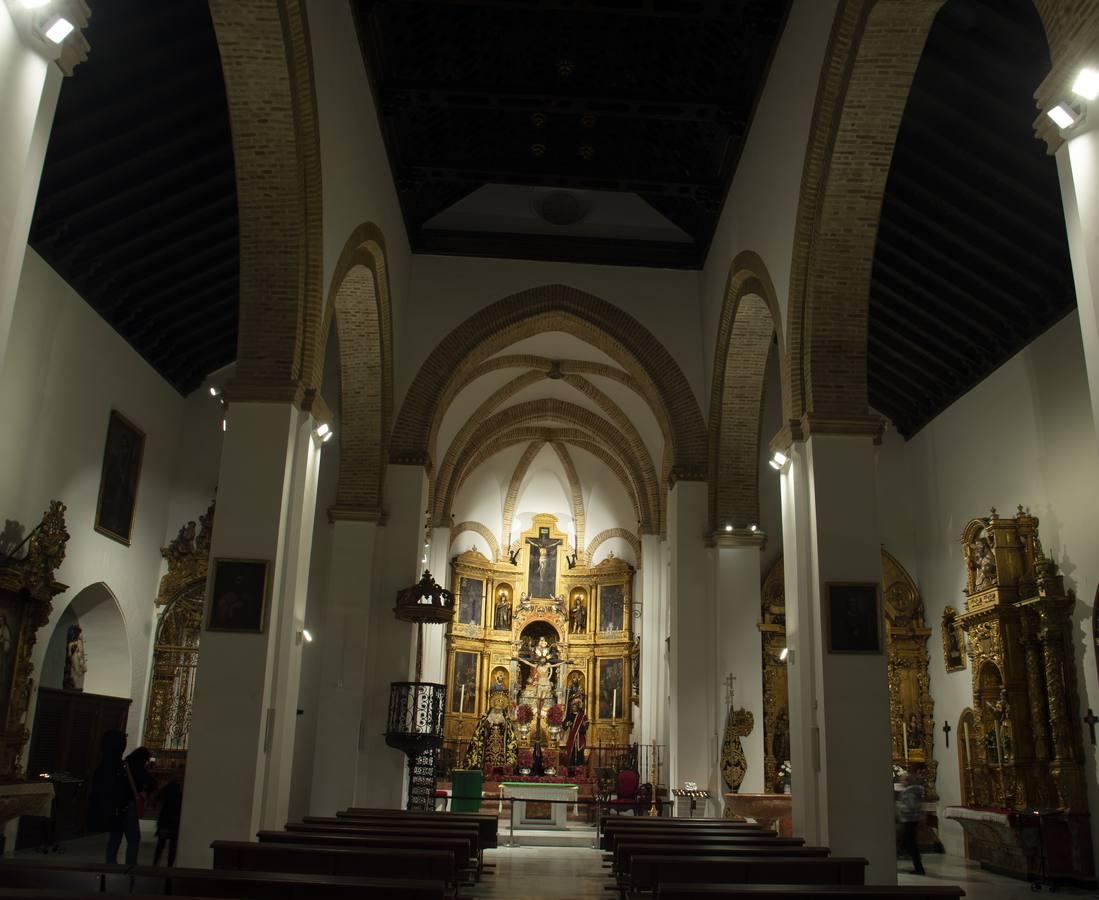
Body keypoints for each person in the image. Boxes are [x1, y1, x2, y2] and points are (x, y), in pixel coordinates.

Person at [154, 767, 184, 867]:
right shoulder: (182, 789)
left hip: (165, 819)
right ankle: (169, 868)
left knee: (161, 845)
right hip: (175, 820)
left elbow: (157, 799)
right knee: (172, 847)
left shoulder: (168, 787)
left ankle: (155, 865)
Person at [896, 773, 925, 875]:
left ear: (907, 781)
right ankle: (918, 867)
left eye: (902, 780)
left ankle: (919, 868)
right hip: (909, 820)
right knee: (907, 843)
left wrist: (899, 806)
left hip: (909, 820)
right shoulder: (911, 791)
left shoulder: (910, 792)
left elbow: (912, 806)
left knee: (911, 845)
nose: (901, 782)